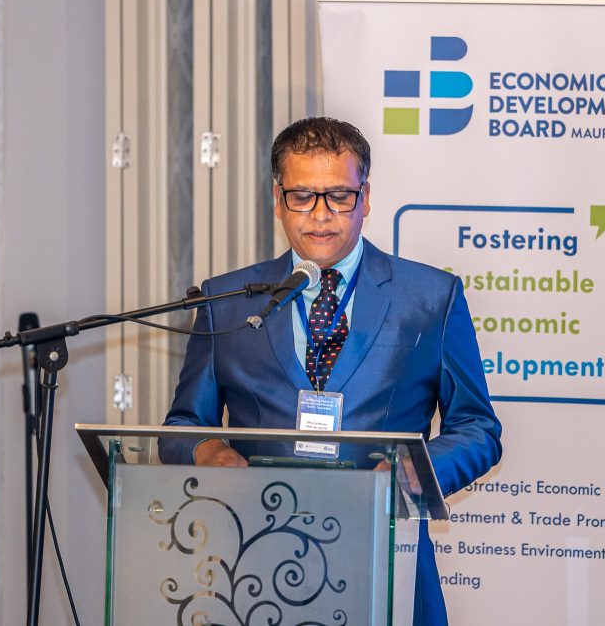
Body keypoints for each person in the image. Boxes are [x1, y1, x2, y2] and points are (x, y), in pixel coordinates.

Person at [160, 116, 501, 625]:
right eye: (302, 196)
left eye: (339, 196)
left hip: (385, 559)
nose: (321, 216)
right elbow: (182, 426)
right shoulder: (227, 300)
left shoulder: (430, 297)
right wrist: (209, 452)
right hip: (254, 565)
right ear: (277, 201)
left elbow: (478, 429)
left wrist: (417, 470)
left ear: (366, 198)